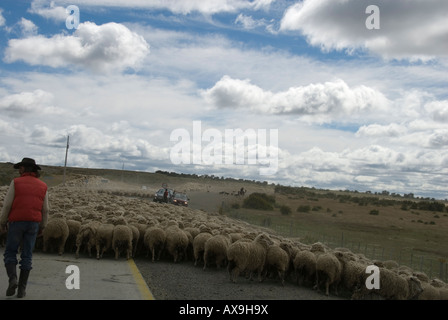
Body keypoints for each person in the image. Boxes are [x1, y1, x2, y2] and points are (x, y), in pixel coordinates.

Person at [0, 157, 49, 298]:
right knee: (27, 255)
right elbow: (45, 209)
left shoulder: (16, 182)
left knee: (10, 252)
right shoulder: (43, 186)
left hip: (16, 222)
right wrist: (43, 226)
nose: (19, 169)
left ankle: (13, 279)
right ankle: (22, 289)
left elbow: (7, 205)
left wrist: (2, 222)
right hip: (33, 223)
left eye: (21, 167)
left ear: (27, 169)